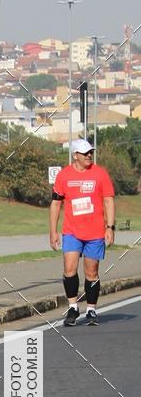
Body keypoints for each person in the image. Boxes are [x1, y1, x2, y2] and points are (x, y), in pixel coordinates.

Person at [49, 139, 116, 326]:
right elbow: (56, 203)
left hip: (95, 232)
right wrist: (53, 231)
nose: (89, 155)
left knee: (91, 272)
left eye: (90, 152)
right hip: (71, 231)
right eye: (85, 153)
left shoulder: (100, 174)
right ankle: (72, 307)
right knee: (69, 269)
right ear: (75, 155)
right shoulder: (64, 175)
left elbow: (109, 200)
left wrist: (110, 227)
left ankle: (92, 310)